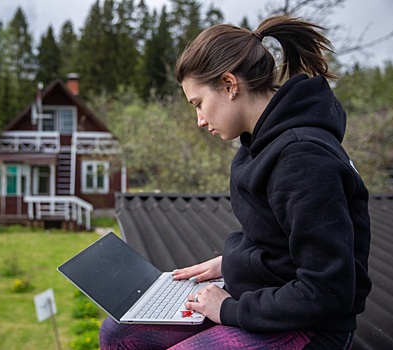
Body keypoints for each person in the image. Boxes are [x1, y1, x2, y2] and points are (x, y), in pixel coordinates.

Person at [99, 15, 371, 349]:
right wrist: (231, 262)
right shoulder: (258, 146)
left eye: (198, 104)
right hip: (264, 299)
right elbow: (276, 236)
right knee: (117, 333)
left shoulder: (302, 158)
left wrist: (227, 308)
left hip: (312, 327)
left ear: (230, 85)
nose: (199, 120)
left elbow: (328, 290)